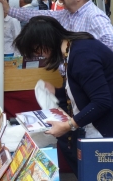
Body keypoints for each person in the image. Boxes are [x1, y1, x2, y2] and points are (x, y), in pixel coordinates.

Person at [13, 15, 113, 176]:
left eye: (38, 52)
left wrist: (68, 126)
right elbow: (82, 89)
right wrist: (57, 91)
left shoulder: (82, 56)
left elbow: (101, 101)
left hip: (103, 129)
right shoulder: (73, 50)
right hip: (95, 124)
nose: (42, 57)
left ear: (45, 44)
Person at [0, 0, 113, 50]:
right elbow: (38, 14)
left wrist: (84, 57)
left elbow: (110, 42)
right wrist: (9, 10)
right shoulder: (67, 14)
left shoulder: (95, 17)